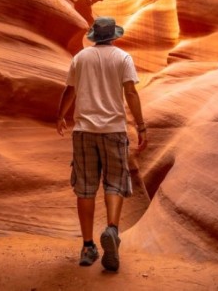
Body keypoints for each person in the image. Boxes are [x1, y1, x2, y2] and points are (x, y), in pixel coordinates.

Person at [56, 16, 148, 271]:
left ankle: (87, 246)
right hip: (114, 131)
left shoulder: (80, 58)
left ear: (94, 36)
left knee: (85, 188)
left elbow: (70, 90)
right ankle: (112, 230)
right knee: (115, 183)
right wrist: (140, 126)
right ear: (114, 36)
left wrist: (61, 115)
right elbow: (130, 92)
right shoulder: (123, 58)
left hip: (84, 131)